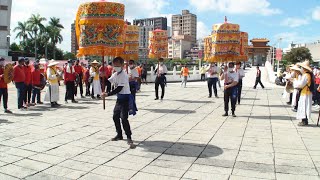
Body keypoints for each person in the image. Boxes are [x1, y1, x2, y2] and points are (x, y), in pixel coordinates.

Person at [102, 57, 135, 148]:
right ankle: (119, 134)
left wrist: (107, 94)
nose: (115, 66)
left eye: (117, 65)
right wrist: (103, 76)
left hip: (125, 98)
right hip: (119, 99)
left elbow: (119, 88)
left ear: (122, 65)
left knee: (124, 118)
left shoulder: (124, 75)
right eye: (114, 65)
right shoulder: (115, 74)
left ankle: (129, 136)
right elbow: (109, 82)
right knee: (115, 116)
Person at [294, 61, 313, 126]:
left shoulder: (305, 75)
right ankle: (305, 120)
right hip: (307, 92)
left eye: (302, 67)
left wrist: (295, 82)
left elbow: (301, 84)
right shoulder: (309, 74)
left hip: (305, 93)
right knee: (306, 106)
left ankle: (304, 120)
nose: (301, 69)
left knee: (303, 106)